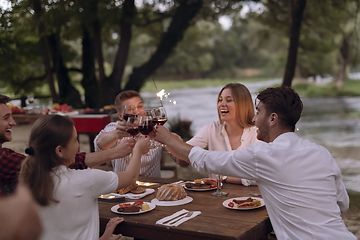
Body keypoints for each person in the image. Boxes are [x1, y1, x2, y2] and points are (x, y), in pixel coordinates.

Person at [154, 86, 356, 240]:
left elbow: (207, 160)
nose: (253, 117)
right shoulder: (321, 152)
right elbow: (342, 204)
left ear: (272, 118)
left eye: (258, 112)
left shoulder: (263, 155)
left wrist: (169, 140)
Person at [19, 114, 149, 240]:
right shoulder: (85, 180)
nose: (78, 145)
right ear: (60, 151)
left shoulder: (27, 181)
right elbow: (130, 177)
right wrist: (138, 150)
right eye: (75, 139)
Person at [0, 94, 135, 195]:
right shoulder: (4, 160)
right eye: (6, 118)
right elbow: (46, 166)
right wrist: (118, 152)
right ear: (58, 151)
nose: (13, 122)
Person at [169, 83, 259, 185]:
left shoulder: (257, 133)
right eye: (220, 100)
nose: (221, 104)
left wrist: (223, 178)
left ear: (243, 104)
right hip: (215, 196)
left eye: (229, 100)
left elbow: (260, 176)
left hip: (250, 197)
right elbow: (184, 160)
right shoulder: (211, 129)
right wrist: (172, 143)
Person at [94, 90, 163, 177]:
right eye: (130, 109)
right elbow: (99, 144)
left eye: (140, 106)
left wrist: (172, 141)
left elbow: (178, 160)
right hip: (123, 186)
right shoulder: (116, 128)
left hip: (154, 186)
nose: (137, 112)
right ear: (120, 116)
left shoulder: (156, 129)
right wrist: (114, 134)